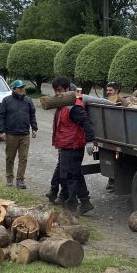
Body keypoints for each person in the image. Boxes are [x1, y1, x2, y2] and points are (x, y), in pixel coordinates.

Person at [46, 77, 96, 215]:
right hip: (65, 145)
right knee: (74, 174)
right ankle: (84, 202)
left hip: (73, 146)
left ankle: (72, 206)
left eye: (60, 90)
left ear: (68, 89)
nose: (57, 94)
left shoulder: (74, 106)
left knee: (70, 177)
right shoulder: (61, 105)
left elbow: (86, 123)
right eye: (56, 91)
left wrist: (90, 141)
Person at [0, 79, 37, 189]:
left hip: (24, 134)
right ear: (14, 89)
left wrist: (34, 128)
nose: (22, 89)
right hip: (11, 134)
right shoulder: (6, 101)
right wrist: (2, 131)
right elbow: (1, 116)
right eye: (20, 88)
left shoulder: (28, 101)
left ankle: (20, 180)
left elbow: (32, 115)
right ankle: (9, 179)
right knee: (10, 158)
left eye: (23, 87)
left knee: (23, 158)